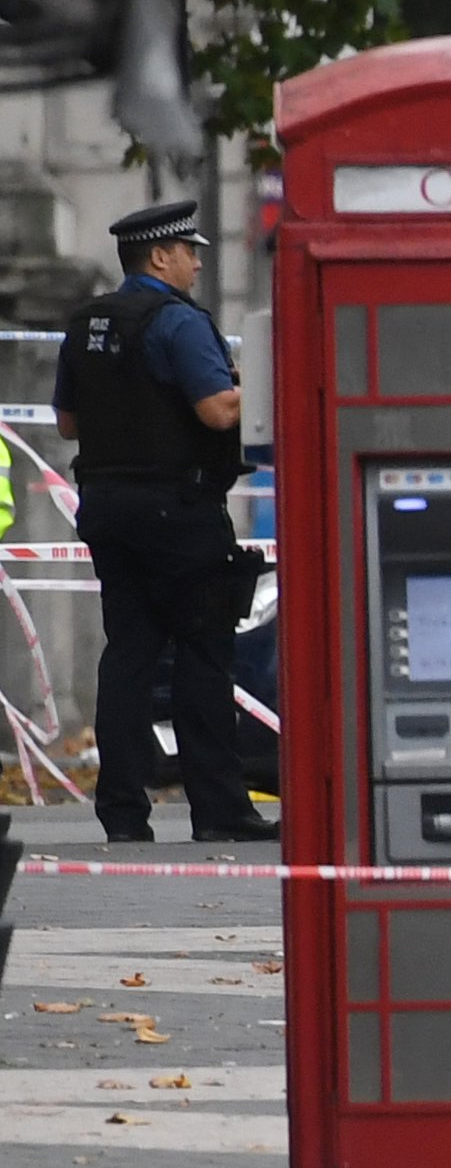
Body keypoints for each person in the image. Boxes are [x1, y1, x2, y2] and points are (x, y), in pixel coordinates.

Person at [53, 201, 274, 844]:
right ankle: (221, 810)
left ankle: (123, 813)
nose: (198, 262)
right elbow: (215, 412)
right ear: (160, 256)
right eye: (188, 252)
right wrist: (254, 386)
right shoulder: (177, 323)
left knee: (129, 654)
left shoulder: (86, 323)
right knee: (204, 656)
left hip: (107, 507)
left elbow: (68, 423)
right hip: (179, 512)